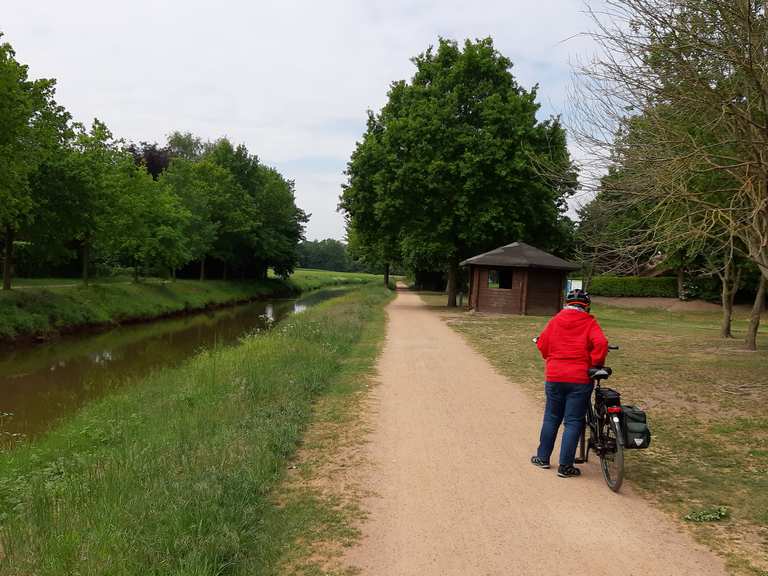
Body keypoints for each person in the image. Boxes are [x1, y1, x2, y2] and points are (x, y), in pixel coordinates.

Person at [531, 289, 608, 478]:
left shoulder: (556, 320)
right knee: (573, 421)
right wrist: (595, 363)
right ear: (586, 306)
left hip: (555, 376)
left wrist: (550, 357)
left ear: (567, 303)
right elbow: (601, 343)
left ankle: (542, 458)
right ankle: (565, 466)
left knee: (551, 417)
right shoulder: (589, 322)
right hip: (580, 378)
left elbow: (543, 344)